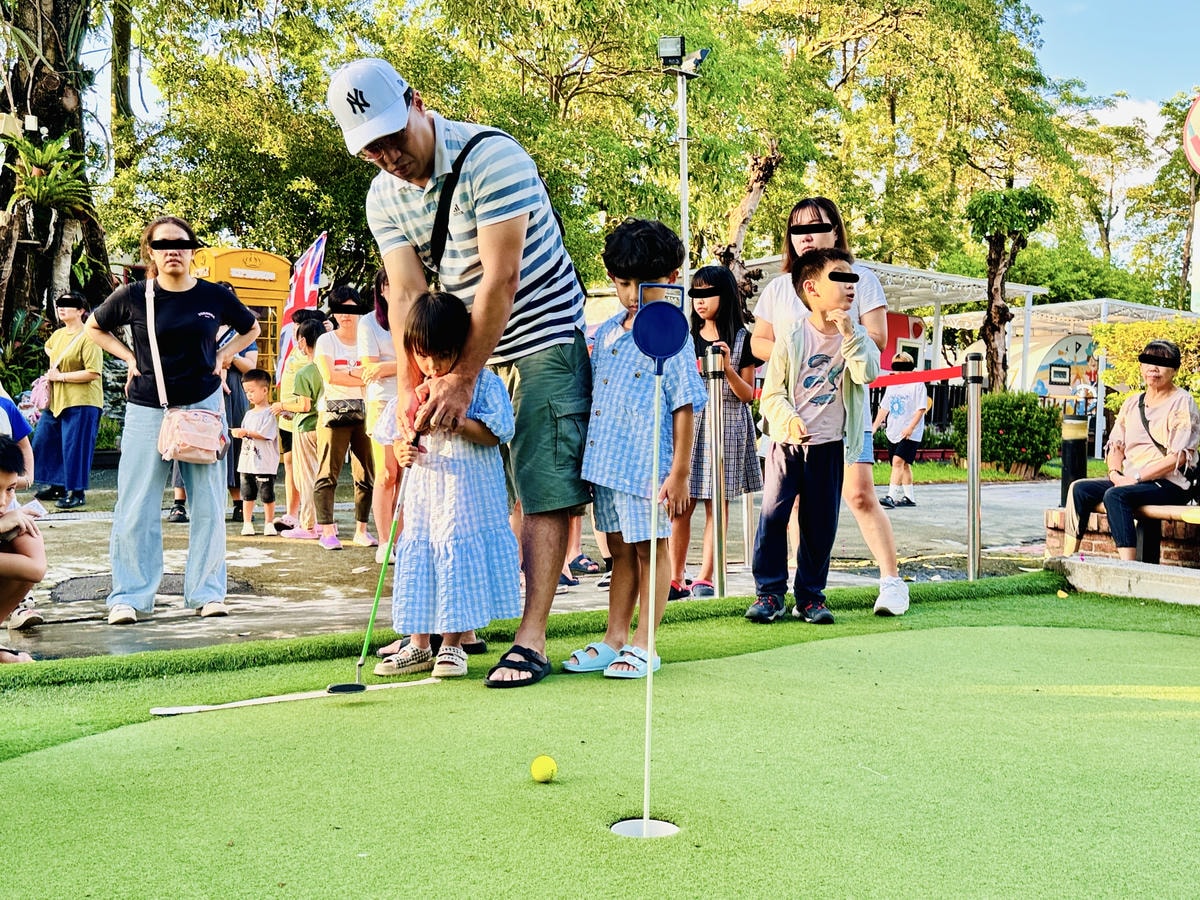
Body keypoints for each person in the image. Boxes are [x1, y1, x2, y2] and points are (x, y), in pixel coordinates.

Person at [327, 57, 590, 687]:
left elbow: (502, 279)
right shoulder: (383, 195)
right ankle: (448, 630)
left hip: (540, 335)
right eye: (371, 149)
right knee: (457, 495)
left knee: (541, 482)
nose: (389, 155)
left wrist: (465, 378)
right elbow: (405, 295)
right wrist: (414, 396)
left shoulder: (492, 157)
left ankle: (530, 638)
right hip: (454, 348)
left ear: (418, 102)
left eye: (394, 137)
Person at [85, 215, 260, 624]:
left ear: (192, 249)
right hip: (148, 407)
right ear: (152, 252)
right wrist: (130, 359)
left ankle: (207, 593)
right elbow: (95, 327)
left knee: (209, 504)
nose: (173, 252)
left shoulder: (214, 296)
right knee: (136, 504)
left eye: (181, 244)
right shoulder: (133, 295)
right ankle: (129, 596)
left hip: (203, 406)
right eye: (163, 246)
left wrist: (221, 356)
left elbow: (250, 328)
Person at [750, 196, 909, 616]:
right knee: (784, 510)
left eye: (816, 227)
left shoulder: (857, 280)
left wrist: (842, 329)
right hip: (790, 421)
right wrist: (794, 348)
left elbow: (874, 346)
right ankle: (788, 594)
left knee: (855, 496)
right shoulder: (780, 288)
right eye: (797, 230)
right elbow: (760, 343)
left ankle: (891, 581)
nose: (806, 237)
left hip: (842, 420)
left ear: (836, 230)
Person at [562, 218, 705, 678]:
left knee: (651, 550)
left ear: (670, 280)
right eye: (622, 284)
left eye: (642, 285)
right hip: (607, 465)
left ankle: (647, 641)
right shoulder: (603, 334)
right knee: (620, 552)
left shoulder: (672, 336)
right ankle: (615, 637)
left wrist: (680, 471)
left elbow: (685, 405)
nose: (630, 294)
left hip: (647, 468)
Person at [372, 291, 520, 679]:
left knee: (457, 558)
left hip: (466, 496)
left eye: (442, 354)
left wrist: (459, 421)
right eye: (423, 355)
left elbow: (497, 432)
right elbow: (397, 438)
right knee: (420, 557)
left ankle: (453, 645)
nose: (432, 365)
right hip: (424, 497)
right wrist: (404, 449)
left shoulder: (481, 383)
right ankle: (419, 644)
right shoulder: (412, 388)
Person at [745, 247, 881, 625]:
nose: (850, 285)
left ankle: (810, 597)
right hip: (786, 447)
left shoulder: (856, 337)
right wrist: (788, 421)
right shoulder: (791, 336)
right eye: (839, 277)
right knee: (773, 518)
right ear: (812, 288)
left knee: (821, 524)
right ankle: (770, 594)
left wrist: (851, 334)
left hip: (830, 447)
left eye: (852, 278)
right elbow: (771, 395)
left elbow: (867, 373)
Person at [668, 264, 762, 599]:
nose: (701, 301)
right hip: (689, 427)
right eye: (696, 293)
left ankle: (706, 575)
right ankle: (675, 577)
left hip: (728, 426)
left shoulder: (742, 340)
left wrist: (726, 369)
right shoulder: (683, 339)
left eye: (709, 293)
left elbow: (749, 394)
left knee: (716, 505)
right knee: (682, 504)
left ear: (726, 296)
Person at [1064, 339, 1200, 560]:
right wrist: (1115, 474)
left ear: (1175, 370)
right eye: (1148, 362)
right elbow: (1116, 446)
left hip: (1170, 483)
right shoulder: (1132, 402)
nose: (1153, 369)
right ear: (1141, 367)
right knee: (1079, 489)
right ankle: (1066, 559)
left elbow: (1178, 457)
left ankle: (1129, 570)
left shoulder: (1182, 402)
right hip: (1130, 480)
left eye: (1161, 364)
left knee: (1116, 496)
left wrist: (1135, 478)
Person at [312, 286, 376, 551]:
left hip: (368, 411)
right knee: (328, 473)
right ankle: (327, 531)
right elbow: (330, 376)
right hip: (333, 413)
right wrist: (362, 375)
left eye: (351, 310)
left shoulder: (369, 338)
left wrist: (361, 376)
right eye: (340, 310)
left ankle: (362, 529)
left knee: (367, 474)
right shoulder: (326, 341)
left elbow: (377, 372)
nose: (346, 316)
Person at [30, 290, 103, 509]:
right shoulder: (59, 335)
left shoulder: (90, 337)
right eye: (60, 304)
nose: (61, 308)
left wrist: (60, 376)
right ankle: (57, 484)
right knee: (45, 441)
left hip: (82, 401)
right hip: (57, 401)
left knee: (75, 447)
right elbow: (49, 348)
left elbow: (93, 372)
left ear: (81, 311)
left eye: (68, 305)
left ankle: (77, 491)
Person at [359, 268, 400, 564]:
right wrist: (406, 364)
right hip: (381, 402)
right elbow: (369, 368)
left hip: (411, 401)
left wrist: (390, 365)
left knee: (406, 476)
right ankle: (384, 541)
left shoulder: (414, 315)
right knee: (387, 474)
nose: (393, 287)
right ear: (380, 289)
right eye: (387, 283)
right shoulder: (368, 323)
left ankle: (402, 539)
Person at [273, 318, 324, 540]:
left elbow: (304, 405)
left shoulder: (305, 372)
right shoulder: (328, 367)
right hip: (326, 426)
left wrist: (282, 405)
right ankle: (325, 523)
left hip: (305, 428)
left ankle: (308, 525)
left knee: (306, 478)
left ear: (302, 341)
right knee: (324, 477)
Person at [0, 436, 46, 663]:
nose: (2, 501)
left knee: (21, 540)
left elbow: (36, 568)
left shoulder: (13, 511)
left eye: (10, 489)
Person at [873, 351, 928, 509]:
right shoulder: (893, 384)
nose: (900, 371)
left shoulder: (917, 384)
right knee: (903, 465)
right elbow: (884, 407)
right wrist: (875, 426)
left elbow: (921, 408)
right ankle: (909, 498)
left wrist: (911, 427)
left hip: (911, 432)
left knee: (898, 461)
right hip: (894, 430)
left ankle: (891, 496)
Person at [233, 368, 280, 536]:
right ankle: (247, 523)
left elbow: (265, 435)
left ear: (265, 390)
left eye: (252, 391)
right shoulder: (249, 413)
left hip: (265, 464)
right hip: (247, 462)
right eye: (246, 392)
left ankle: (269, 523)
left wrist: (244, 432)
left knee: (267, 495)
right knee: (247, 495)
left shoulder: (270, 413)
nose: (249, 395)